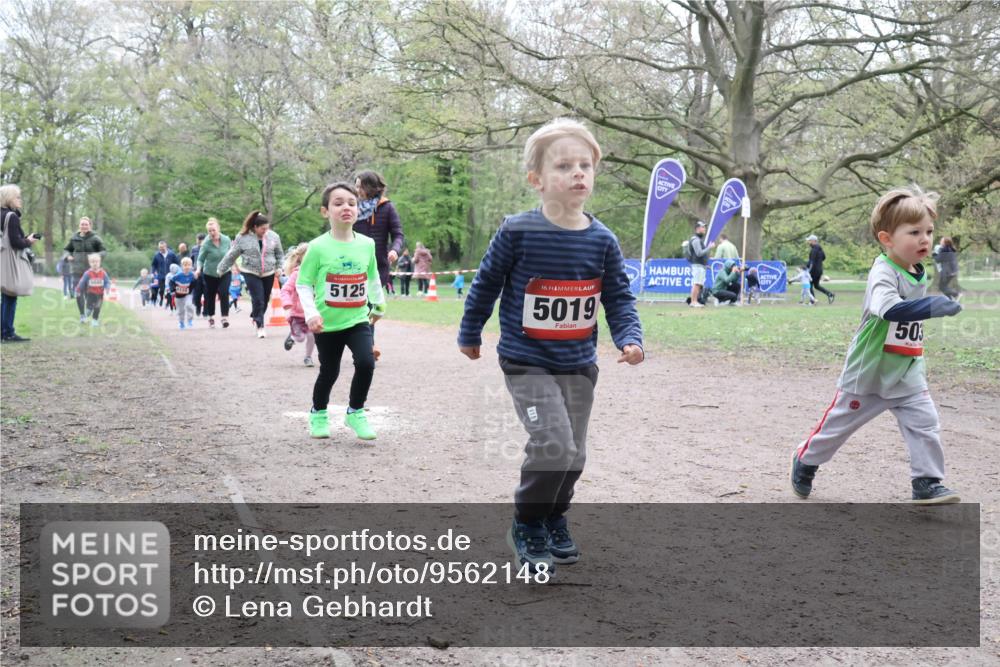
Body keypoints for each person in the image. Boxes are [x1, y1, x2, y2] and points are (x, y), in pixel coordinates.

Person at [458, 118, 644, 576]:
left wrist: (630, 337)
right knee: (553, 442)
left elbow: (618, 296)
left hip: (579, 363)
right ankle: (526, 522)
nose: (578, 173)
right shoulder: (518, 231)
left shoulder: (603, 240)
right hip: (527, 360)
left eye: (585, 165)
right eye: (564, 165)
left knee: (573, 453)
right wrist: (470, 332)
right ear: (536, 179)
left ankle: (554, 517)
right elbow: (486, 285)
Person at [790, 185, 963, 505]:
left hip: (906, 368)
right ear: (887, 239)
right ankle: (805, 459)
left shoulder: (918, 271)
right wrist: (931, 308)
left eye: (929, 231)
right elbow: (891, 310)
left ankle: (926, 481)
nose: (925, 239)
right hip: (869, 370)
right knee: (836, 429)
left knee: (925, 423)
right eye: (914, 232)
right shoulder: (882, 271)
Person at [296, 181, 385, 440]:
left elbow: (372, 277)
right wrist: (311, 313)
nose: (346, 207)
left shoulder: (367, 244)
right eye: (338, 203)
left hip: (357, 319)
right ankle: (318, 413)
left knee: (366, 363)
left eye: (351, 203)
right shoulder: (318, 247)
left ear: (358, 209)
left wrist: (379, 303)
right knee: (329, 371)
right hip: (327, 323)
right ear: (326, 212)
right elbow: (303, 283)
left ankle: (355, 412)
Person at [216, 210, 284, 338]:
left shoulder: (274, 236)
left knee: (264, 299)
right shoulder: (242, 238)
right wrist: (221, 268)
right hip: (250, 271)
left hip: (268, 272)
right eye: (263, 229)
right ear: (255, 227)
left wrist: (280, 267)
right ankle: (260, 326)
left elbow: (280, 254)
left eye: (267, 228)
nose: (265, 231)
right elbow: (232, 254)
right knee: (258, 299)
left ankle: (256, 316)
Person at [1, 184, 39, 342]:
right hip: (11, 261)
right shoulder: (11, 216)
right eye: (17, 197)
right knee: (11, 295)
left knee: (5, 296)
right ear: (9, 198)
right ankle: (8, 332)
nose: (20, 200)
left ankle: (4, 331)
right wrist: (29, 240)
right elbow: (16, 242)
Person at [64, 217, 107, 322]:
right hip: (76, 270)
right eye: (82, 224)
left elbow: (104, 251)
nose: (84, 226)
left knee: (91, 293)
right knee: (79, 292)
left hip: (91, 271)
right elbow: (66, 250)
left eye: (86, 224)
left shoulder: (95, 238)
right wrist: (68, 256)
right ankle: (82, 315)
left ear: (90, 226)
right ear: (79, 226)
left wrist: (96, 256)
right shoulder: (74, 238)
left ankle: (90, 307)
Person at [279, 244, 316, 367]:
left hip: (312, 313)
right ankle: (293, 337)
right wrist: (287, 303)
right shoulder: (297, 274)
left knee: (312, 335)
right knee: (300, 338)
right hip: (297, 313)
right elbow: (285, 290)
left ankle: (308, 357)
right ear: (302, 258)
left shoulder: (319, 272)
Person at [197, 218, 233, 328]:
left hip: (224, 272)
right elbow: (200, 259)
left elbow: (231, 254)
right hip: (210, 273)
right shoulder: (206, 244)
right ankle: (211, 317)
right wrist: (198, 269)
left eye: (213, 230)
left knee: (223, 292)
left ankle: (224, 318)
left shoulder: (226, 240)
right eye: (209, 231)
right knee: (210, 295)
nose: (212, 233)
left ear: (218, 228)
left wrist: (236, 266)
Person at [74, 253, 111, 327]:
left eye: (97, 262)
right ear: (89, 263)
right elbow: (82, 282)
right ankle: (87, 312)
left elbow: (107, 281)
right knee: (89, 309)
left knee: (97, 308)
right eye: (93, 262)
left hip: (100, 294)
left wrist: (107, 287)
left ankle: (94, 320)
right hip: (90, 294)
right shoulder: (87, 273)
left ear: (99, 262)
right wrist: (77, 289)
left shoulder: (103, 273)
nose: (95, 264)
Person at [685, 221, 714, 308]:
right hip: (697, 266)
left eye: (705, 227)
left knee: (698, 283)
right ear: (697, 229)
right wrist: (709, 247)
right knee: (696, 283)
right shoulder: (696, 240)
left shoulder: (698, 240)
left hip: (700, 265)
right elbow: (699, 253)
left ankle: (695, 301)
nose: (704, 229)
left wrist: (705, 265)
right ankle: (693, 302)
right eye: (703, 227)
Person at [806, 234, 835, 304]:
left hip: (814, 271)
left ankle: (812, 301)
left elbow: (811, 261)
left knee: (809, 285)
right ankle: (830, 294)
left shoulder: (814, 250)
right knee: (816, 285)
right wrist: (818, 262)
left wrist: (809, 270)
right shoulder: (820, 249)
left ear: (814, 241)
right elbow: (824, 257)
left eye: (809, 241)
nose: (808, 242)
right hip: (819, 270)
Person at [150, 240, 179, 308]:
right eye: (160, 247)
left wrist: (176, 272)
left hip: (170, 276)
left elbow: (177, 263)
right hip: (161, 275)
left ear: (165, 246)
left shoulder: (171, 254)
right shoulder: (157, 255)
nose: (161, 249)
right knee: (162, 290)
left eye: (162, 247)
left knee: (169, 290)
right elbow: (153, 265)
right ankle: (161, 299)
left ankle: (168, 302)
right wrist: (153, 272)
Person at [171, 257, 197, 329]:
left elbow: (194, 283)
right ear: (182, 266)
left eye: (189, 265)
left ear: (191, 266)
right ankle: (181, 322)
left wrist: (191, 289)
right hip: (178, 295)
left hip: (188, 294)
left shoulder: (192, 275)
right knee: (181, 309)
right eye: (185, 265)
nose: (187, 267)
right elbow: (171, 282)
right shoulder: (178, 275)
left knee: (189, 305)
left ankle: (190, 320)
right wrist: (173, 290)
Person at [190, 232, 206, 317]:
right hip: (197, 273)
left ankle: (206, 311)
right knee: (196, 294)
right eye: (197, 239)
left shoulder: (209, 248)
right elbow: (191, 260)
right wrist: (192, 269)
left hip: (207, 273)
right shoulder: (194, 249)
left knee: (207, 293)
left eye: (200, 240)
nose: (198, 241)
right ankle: (198, 307)